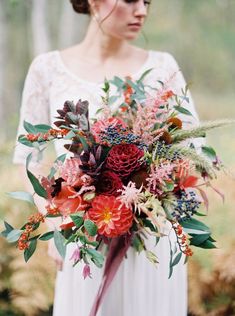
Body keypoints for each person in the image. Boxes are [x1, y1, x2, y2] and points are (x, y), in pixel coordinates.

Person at [13, 0, 201, 315]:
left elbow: (191, 152)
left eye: (147, 2)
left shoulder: (164, 67)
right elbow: (28, 159)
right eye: (130, 0)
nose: (142, 10)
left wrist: (156, 188)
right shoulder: (46, 69)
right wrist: (56, 219)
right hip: (85, 241)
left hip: (151, 240)